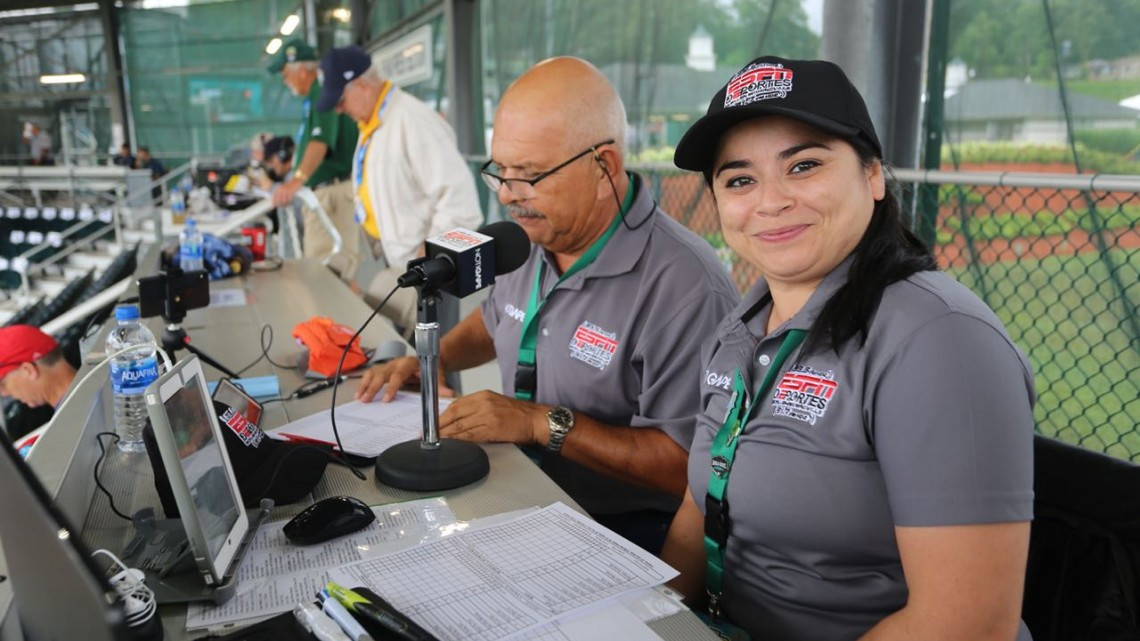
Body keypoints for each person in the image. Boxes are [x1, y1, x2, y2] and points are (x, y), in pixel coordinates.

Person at [660, 56, 1035, 640]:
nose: (770, 200)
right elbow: (699, 499)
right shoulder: (743, 321)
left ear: (873, 176)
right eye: (739, 179)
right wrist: (645, 614)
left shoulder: (940, 342)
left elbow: (969, 624)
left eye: (804, 165)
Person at [357, 57, 739, 553]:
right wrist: (435, 360)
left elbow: (686, 468)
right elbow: (498, 320)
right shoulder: (530, 237)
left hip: (626, 528)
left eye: (531, 175)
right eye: (501, 173)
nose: (510, 198)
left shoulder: (686, 287)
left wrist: (540, 423)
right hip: (519, 488)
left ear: (605, 167)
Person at [315, 45, 483, 337]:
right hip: (400, 261)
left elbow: (460, 201)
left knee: (439, 360)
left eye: (341, 101)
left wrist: (431, 251)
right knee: (413, 360)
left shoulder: (412, 121)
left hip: (430, 270)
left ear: (362, 86)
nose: (339, 110)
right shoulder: (373, 124)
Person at [267, 38, 363, 284]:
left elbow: (320, 142)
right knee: (335, 274)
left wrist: (296, 181)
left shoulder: (322, 91)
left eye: (285, 74)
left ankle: (338, 323)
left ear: (301, 70)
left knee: (326, 276)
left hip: (331, 195)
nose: (284, 80)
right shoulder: (313, 98)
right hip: (326, 193)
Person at [0, 325, 76, 412]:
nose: (4, 394)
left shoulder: (75, 417)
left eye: (3, 384)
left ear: (28, 370)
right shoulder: (93, 378)